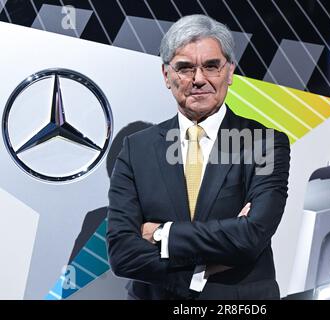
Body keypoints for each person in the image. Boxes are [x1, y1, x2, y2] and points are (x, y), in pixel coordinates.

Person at [106, 14, 290, 300]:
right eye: (185, 68)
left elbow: (252, 236)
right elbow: (122, 255)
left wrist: (160, 235)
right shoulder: (135, 150)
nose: (199, 79)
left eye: (211, 66)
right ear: (167, 76)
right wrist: (196, 272)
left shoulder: (264, 142)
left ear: (229, 72)